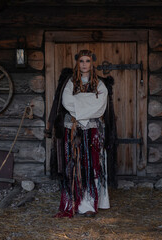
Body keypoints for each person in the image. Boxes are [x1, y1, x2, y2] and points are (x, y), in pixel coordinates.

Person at [46, 49, 117, 218]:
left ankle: (88, 205)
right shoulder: (69, 82)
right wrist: (87, 102)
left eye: (87, 61)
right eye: (81, 61)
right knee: (73, 165)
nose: (84, 64)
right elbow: (67, 102)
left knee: (91, 165)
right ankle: (72, 204)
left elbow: (99, 105)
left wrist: (80, 103)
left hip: (92, 130)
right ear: (77, 63)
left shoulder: (100, 84)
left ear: (92, 63)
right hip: (72, 130)